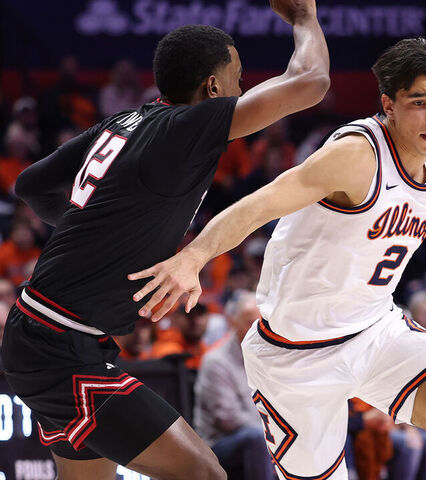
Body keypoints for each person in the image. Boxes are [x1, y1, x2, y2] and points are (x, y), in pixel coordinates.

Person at [131, 37, 426, 480]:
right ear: (388, 104)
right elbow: (258, 205)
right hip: (295, 355)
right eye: (419, 102)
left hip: (376, 333)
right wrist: (193, 256)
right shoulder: (355, 156)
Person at [0, 0, 330, 478]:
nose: (243, 90)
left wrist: (98, 231)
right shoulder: (186, 128)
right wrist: (304, 18)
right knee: (205, 475)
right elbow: (312, 83)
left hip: (48, 333)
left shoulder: (124, 123)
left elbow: (31, 184)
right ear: (213, 87)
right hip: (60, 345)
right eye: (238, 79)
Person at [193, 290, 273, 480]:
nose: (257, 328)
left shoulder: (269, 357)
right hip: (219, 443)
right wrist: (274, 433)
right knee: (257, 438)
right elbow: (228, 419)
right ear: (232, 322)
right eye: (250, 322)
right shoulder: (216, 361)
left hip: (264, 434)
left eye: (261, 322)